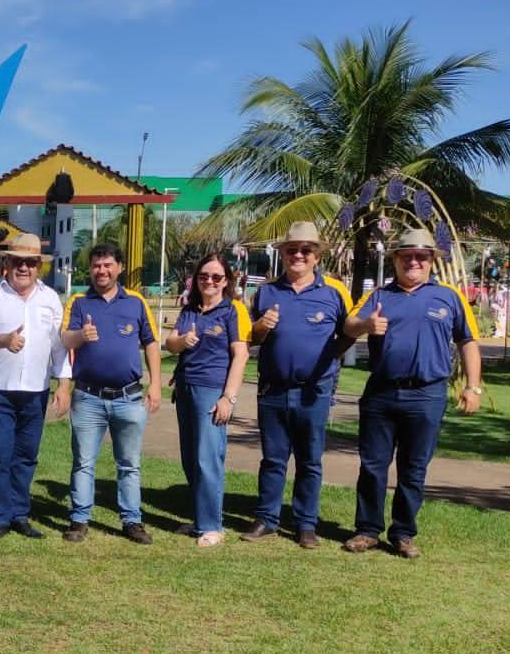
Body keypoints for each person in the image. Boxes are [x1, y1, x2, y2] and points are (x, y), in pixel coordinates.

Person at [342, 227, 483, 559]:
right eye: (407, 256)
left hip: (427, 394)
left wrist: (473, 386)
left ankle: (403, 533)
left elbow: (469, 342)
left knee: (414, 467)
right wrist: (365, 326)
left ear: (431, 261)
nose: (414, 262)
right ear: (396, 260)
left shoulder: (449, 297)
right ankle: (367, 530)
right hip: (381, 393)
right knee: (373, 465)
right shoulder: (379, 296)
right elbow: (348, 324)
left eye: (421, 256)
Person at [240, 221, 353, 549]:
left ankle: (306, 524)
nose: (298, 255)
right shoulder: (266, 292)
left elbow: (349, 330)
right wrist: (261, 326)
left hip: (313, 389)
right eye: (292, 250)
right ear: (283, 254)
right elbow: (252, 338)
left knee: (309, 459)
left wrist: (331, 355)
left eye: (306, 250)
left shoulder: (334, 291)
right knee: (273, 459)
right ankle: (267, 519)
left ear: (317, 256)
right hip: (272, 388)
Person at [58, 242, 161, 544]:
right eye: (96, 266)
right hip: (88, 398)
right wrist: (81, 335)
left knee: (129, 463)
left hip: (129, 398)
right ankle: (79, 519)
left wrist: (155, 384)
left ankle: (131, 521)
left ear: (119, 267)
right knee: (84, 462)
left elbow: (152, 343)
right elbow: (65, 338)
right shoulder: (79, 301)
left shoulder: (136, 302)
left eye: (107, 265)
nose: (101, 271)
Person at [0, 233, 70, 538]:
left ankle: (19, 514)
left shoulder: (50, 298)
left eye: (30, 262)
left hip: (36, 390)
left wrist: (63, 385)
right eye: (17, 262)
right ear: (6, 263)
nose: (23, 268)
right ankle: (0, 516)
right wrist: (3, 339)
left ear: (39, 266)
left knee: (26, 455)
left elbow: (59, 346)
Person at [166, 251, 251, 548]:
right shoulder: (189, 310)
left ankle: (212, 525)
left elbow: (240, 354)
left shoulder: (232, 310)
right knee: (190, 458)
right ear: (196, 279)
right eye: (204, 276)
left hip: (212, 391)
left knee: (208, 458)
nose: (210, 281)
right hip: (186, 389)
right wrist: (182, 341)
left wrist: (229, 397)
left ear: (226, 280)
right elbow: (170, 343)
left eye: (216, 277)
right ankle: (200, 519)